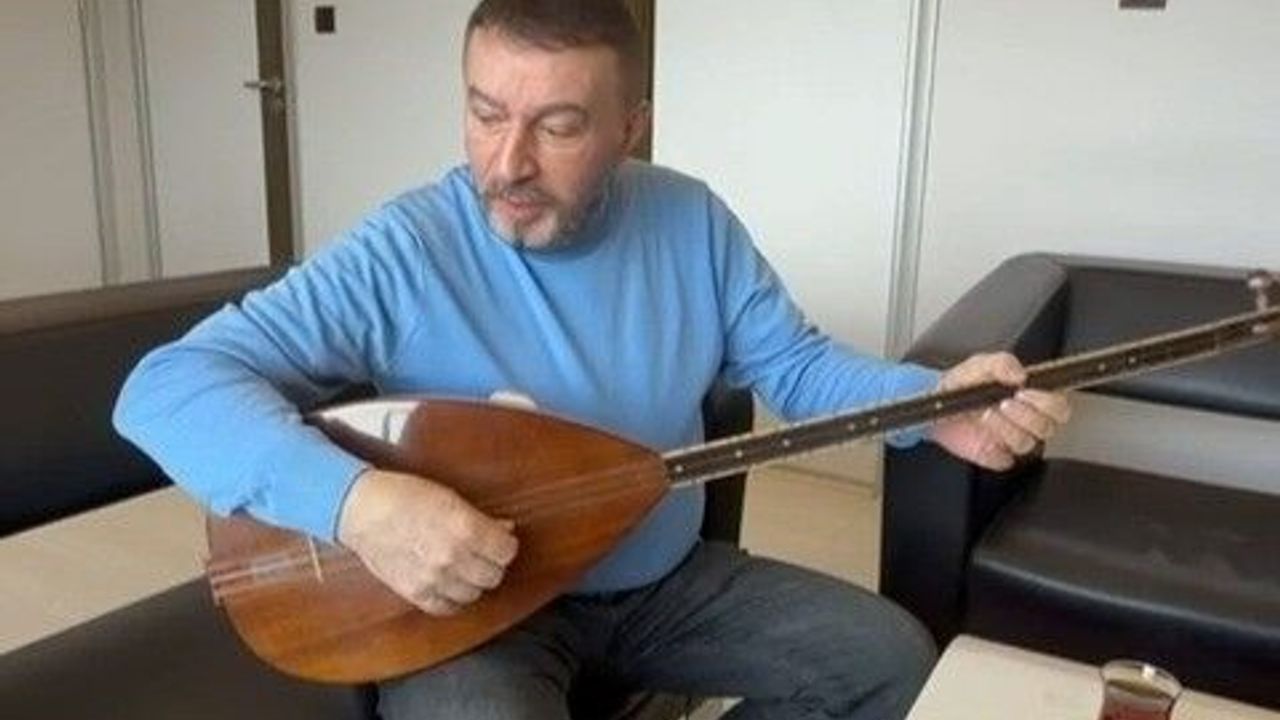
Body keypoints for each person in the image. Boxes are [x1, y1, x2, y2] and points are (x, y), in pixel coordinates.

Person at [114, 1, 1071, 718]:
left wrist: (929, 404)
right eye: (486, 113)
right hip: (475, 612)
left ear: (628, 128)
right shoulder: (406, 248)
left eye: (559, 126)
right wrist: (361, 505)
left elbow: (797, 365)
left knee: (890, 661)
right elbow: (164, 388)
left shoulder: (691, 220)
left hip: (663, 584)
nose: (507, 164)